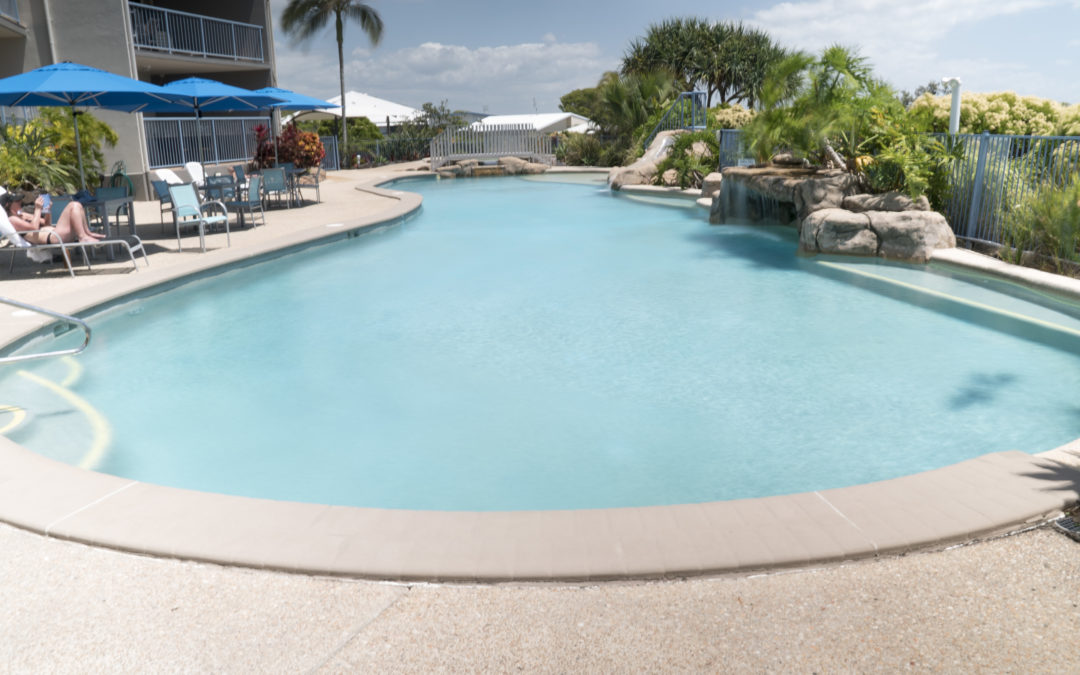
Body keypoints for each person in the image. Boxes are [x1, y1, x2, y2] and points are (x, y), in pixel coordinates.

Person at [1, 192, 104, 244]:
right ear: (8, 205)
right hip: (54, 237)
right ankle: (83, 237)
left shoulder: (23, 215)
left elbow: (46, 224)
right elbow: (33, 228)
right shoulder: (12, 220)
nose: (20, 202)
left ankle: (86, 233)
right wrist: (37, 209)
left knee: (77, 205)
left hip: (56, 233)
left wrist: (47, 211)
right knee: (73, 205)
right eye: (16, 201)